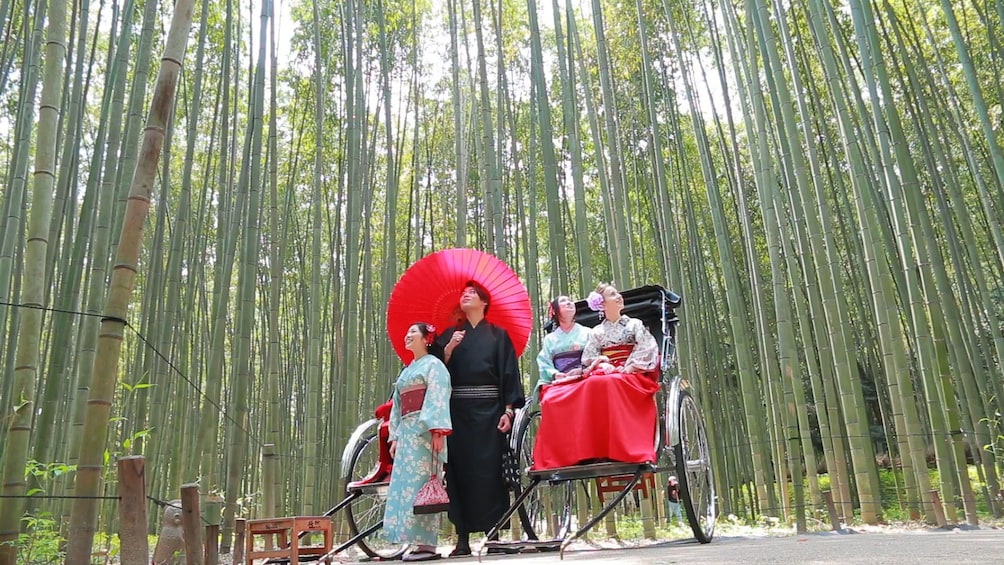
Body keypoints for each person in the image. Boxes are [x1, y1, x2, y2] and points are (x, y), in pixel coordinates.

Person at [437, 281, 526, 557]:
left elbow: (509, 374)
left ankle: (494, 533)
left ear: (484, 302)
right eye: (463, 294)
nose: (466, 295)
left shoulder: (499, 336)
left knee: (489, 472)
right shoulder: (450, 334)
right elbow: (435, 370)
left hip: (490, 412)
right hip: (457, 412)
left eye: (471, 293)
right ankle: (461, 538)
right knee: (458, 471)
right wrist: (448, 349)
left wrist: (509, 411)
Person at [532, 283, 661, 469]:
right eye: (613, 294)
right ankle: (591, 449)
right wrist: (601, 362)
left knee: (608, 382)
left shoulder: (634, 324)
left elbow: (647, 347)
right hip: (602, 370)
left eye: (618, 294)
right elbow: (588, 357)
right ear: (602, 304)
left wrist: (628, 367)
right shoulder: (596, 331)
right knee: (592, 384)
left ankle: (623, 447)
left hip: (631, 370)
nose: (618, 297)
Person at [383, 322, 453, 562]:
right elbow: (397, 407)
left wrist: (437, 430)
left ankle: (427, 544)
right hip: (407, 434)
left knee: (424, 486)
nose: (407, 335)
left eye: (413, 331)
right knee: (407, 488)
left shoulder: (435, 366)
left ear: (427, 339)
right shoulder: (407, 369)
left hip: (425, 433)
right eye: (407, 331)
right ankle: (413, 540)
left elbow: (438, 397)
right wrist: (395, 435)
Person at [535, 295, 590, 394]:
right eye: (563, 301)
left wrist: (582, 369)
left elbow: (595, 354)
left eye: (570, 300)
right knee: (550, 397)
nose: (568, 302)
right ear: (555, 311)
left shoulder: (588, 332)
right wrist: (555, 374)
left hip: (584, 378)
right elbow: (544, 362)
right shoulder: (550, 339)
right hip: (560, 381)